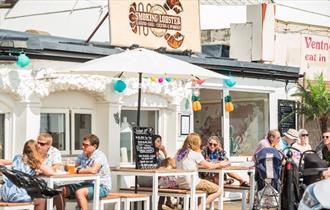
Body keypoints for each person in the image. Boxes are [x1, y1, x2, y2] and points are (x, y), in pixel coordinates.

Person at [176, 133, 229, 210]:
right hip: (193, 183)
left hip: (181, 183)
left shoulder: (179, 153)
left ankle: (194, 206)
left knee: (205, 190)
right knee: (219, 190)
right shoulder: (195, 154)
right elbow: (210, 166)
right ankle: (199, 208)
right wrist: (221, 164)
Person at [0, 139, 57, 210]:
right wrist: (42, 171)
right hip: (17, 194)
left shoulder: (17, 157)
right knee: (41, 200)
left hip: (5, 193)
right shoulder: (33, 160)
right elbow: (51, 173)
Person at [61, 134, 111, 210]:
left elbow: (93, 170)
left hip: (101, 186)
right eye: (82, 144)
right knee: (61, 190)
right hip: (85, 184)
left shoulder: (100, 155)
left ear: (94, 146)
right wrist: (67, 165)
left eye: (86, 145)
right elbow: (71, 167)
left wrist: (77, 170)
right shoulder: (83, 155)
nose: (82, 147)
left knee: (80, 192)